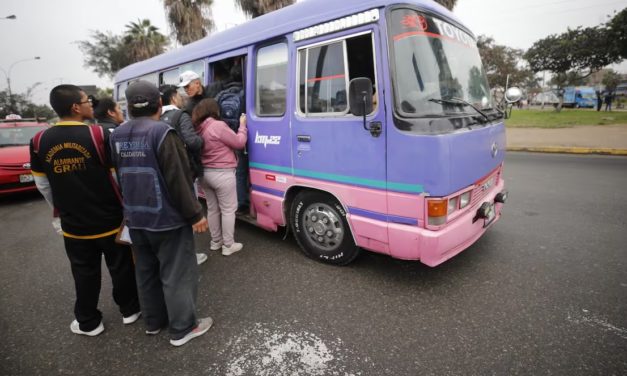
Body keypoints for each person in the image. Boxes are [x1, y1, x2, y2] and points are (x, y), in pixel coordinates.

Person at [30, 84, 140, 337]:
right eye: (86, 100)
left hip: (74, 224)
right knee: (121, 266)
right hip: (110, 218)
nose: (91, 104)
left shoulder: (39, 140)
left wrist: (59, 210)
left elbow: (43, 184)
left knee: (83, 271)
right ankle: (130, 310)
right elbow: (116, 175)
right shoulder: (99, 135)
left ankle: (89, 322)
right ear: (75, 107)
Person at [109, 80, 212, 347]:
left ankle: (153, 322)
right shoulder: (163, 133)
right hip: (167, 220)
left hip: (135, 219)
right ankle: (183, 328)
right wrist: (195, 215)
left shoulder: (117, 135)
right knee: (177, 273)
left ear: (129, 107)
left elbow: (118, 176)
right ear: (158, 104)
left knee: (146, 271)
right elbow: (177, 178)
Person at [159, 84, 208, 266]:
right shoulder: (181, 115)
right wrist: (203, 138)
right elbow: (192, 142)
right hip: (183, 171)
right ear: (173, 98)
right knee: (188, 210)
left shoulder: (155, 117)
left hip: (161, 173)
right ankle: (189, 256)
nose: (182, 98)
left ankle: (173, 255)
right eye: (179, 95)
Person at [192, 98, 247, 256]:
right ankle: (228, 245)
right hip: (222, 174)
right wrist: (242, 125)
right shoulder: (217, 125)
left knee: (212, 208)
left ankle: (216, 242)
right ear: (213, 110)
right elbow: (238, 142)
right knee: (229, 210)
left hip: (205, 175)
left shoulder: (197, 128)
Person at [215, 63, 249, 214]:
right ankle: (242, 203)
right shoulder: (246, 92)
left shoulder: (221, 95)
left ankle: (228, 202)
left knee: (229, 171)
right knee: (241, 171)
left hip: (224, 137)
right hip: (239, 135)